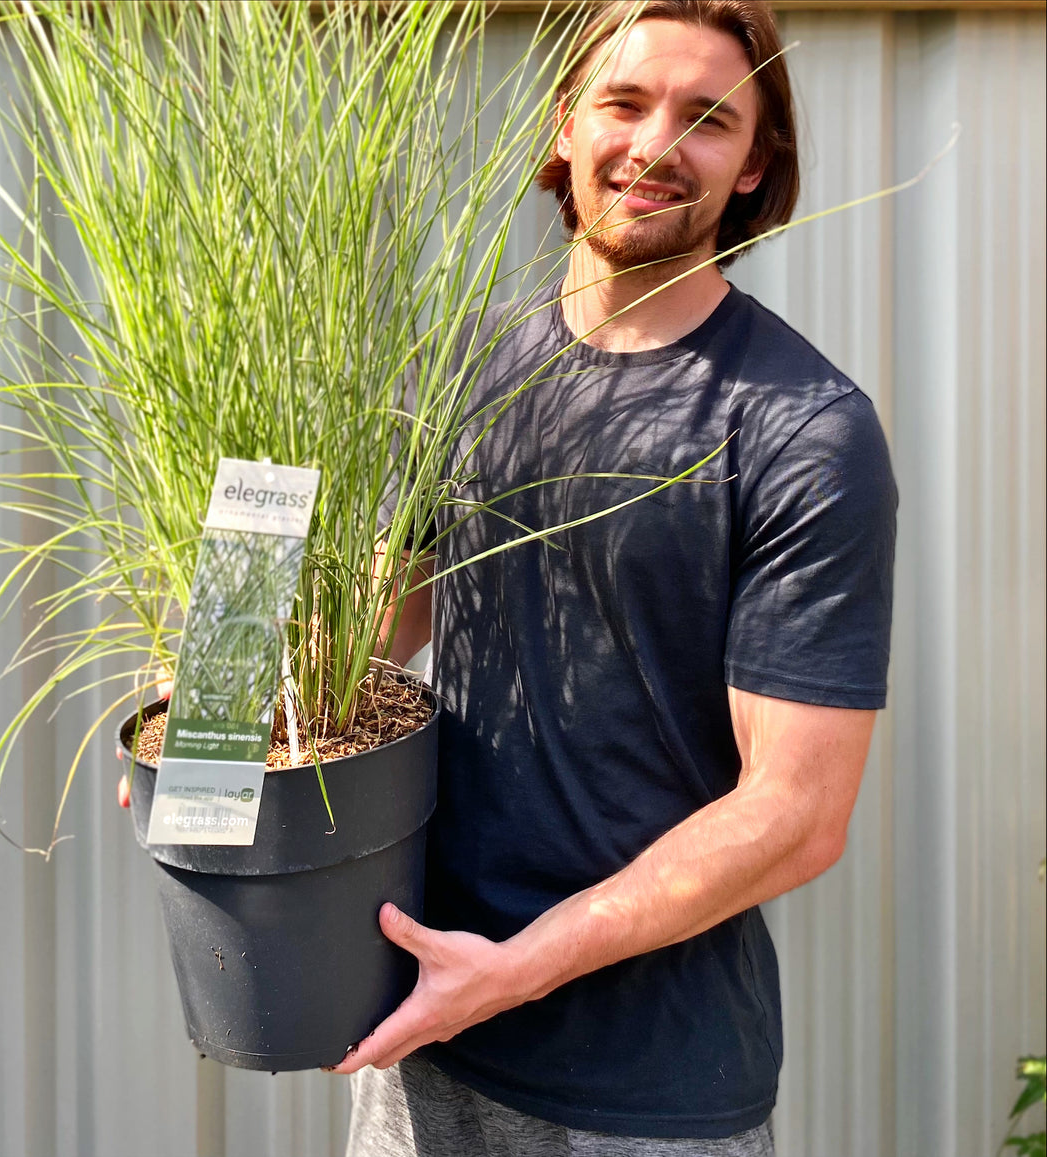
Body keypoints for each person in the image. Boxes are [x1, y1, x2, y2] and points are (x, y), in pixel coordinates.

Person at [332, 2, 897, 1155]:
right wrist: (211, 730)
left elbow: (796, 814)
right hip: (425, 1033)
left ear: (754, 167)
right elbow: (369, 634)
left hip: (650, 1091)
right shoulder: (462, 373)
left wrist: (515, 971)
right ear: (565, 127)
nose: (653, 146)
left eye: (707, 119)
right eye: (625, 102)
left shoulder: (799, 429)